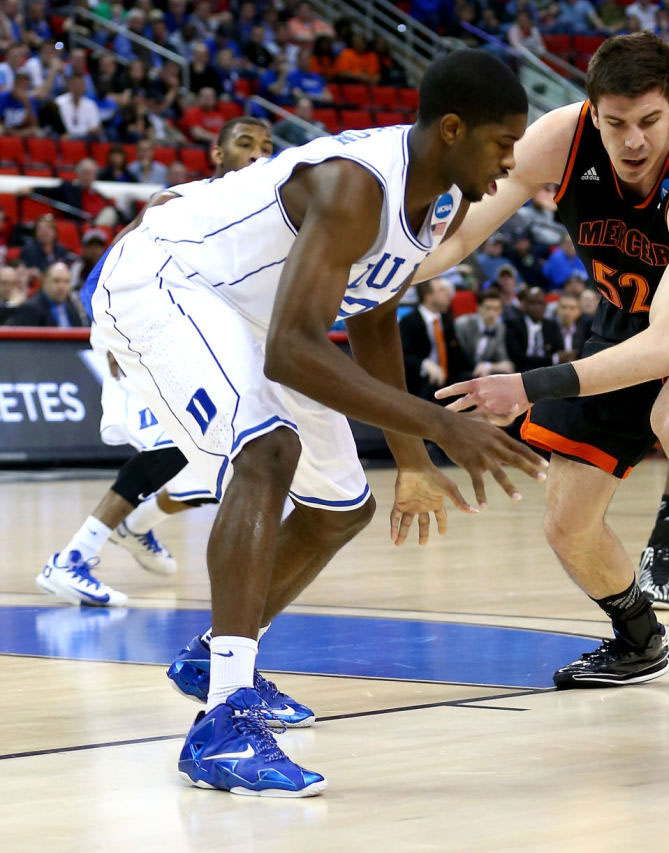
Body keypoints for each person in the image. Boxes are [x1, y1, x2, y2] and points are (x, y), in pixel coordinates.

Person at [84, 50, 544, 798]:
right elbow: (294, 351)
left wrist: (414, 460)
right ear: (452, 130)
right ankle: (223, 724)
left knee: (340, 507)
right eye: (500, 143)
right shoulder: (354, 183)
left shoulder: (437, 203)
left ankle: (213, 656)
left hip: (254, 313)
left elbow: (371, 314)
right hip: (166, 280)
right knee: (267, 452)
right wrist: (438, 423)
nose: (508, 162)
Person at [418, 33, 669, 688]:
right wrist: (381, 271)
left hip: (663, 333)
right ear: (590, 111)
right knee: (566, 521)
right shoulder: (563, 138)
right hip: (620, 322)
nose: (632, 141)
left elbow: (665, 346)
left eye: (649, 121)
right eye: (615, 124)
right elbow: (462, 231)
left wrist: (527, 384)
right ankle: (638, 637)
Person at [36, 118, 275, 609]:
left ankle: (135, 527)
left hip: (201, 342)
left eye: (267, 147)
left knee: (204, 449)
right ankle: (73, 558)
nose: (257, 154)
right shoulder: (181, 201)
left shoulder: (262, 215)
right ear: (216, 153)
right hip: (145, 335)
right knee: (173, 449)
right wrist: (111, 336)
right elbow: (110, 266)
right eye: (245, 144)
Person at [399, 277, 471, 399]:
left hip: (448, 377)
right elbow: (403, 356)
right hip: (421, 382)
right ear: (428, 296)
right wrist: (424, 364)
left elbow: (457, 353)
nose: (448, 293)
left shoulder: (446, 318)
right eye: (441, 290)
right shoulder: (409, 322)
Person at [504, 286, 569, 371]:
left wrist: (555, 359)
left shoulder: (552, 325)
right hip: (521, 372)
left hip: (548, 372)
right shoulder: (514, 325)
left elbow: (560, 353)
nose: (536, 307)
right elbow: (517, 358)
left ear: (545, 306)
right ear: (524, 305)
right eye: (532, 303)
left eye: (540, 303)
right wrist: (551, 359)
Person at [455, 289, 515, 377]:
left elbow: (505, 362)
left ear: (501, 311)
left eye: (496, 309)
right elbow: (456, 358)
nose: (491, 313)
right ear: (479, 308)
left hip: (482, 374)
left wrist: (488, 366)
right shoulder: (462, 324)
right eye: (488, 308)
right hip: (460, 372)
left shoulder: (500, 328)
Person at [9, 261, 82, 327]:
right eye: (56, 281)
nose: (61, 286)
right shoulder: (30, 309)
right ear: (45, 282)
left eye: (66, 282)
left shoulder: (72, 309)